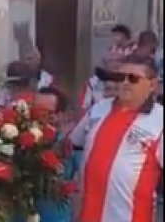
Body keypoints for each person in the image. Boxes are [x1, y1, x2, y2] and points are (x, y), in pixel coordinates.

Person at [67, 54, 163, 222]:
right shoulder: (98, 109)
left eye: (133, 78)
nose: (125, 83)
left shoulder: (160, 120)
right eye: (120, 77)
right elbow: (71, 143)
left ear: (152, 85)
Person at [30, 86, 77, 222]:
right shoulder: (15, 141)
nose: (38, 116)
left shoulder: (68, 147)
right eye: (35, 110)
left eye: (46, 112)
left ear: (60, 115)